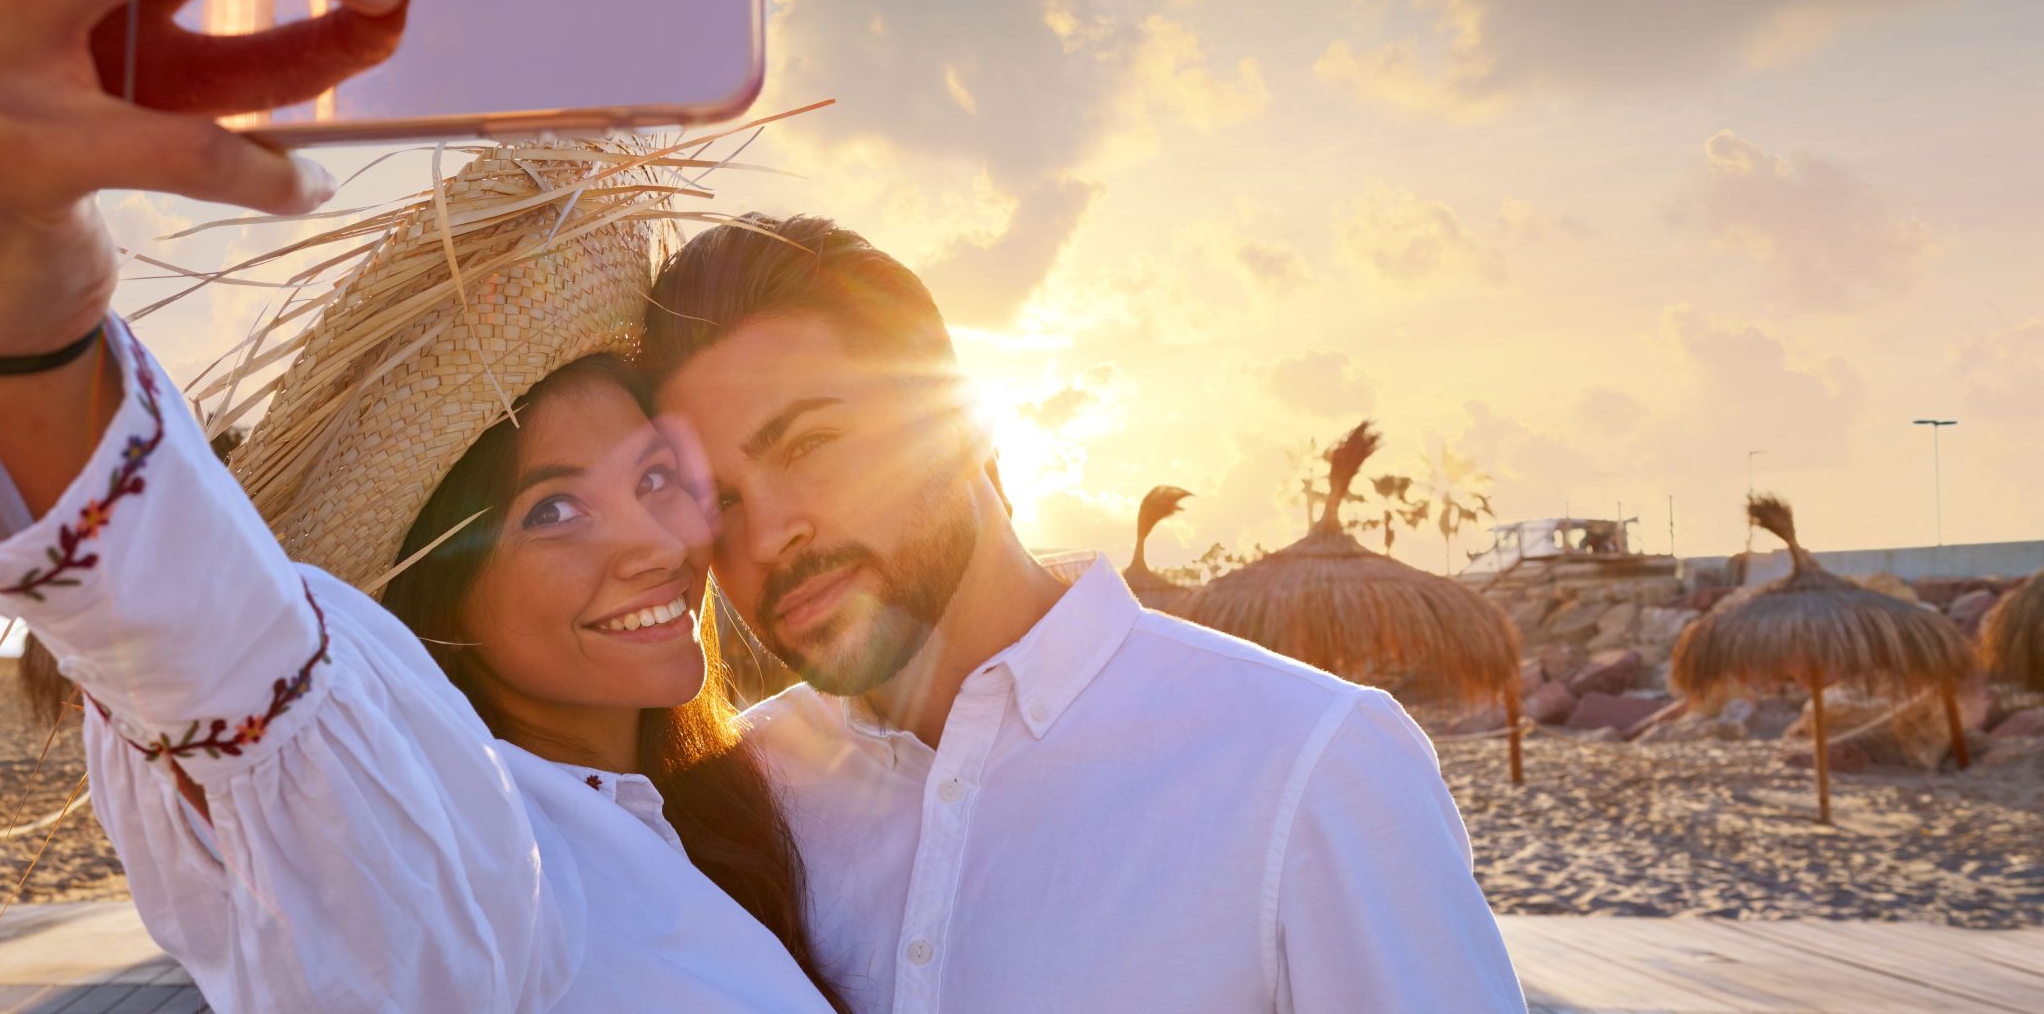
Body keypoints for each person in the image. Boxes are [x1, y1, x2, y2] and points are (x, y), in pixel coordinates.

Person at [0, 0, 846, 1011]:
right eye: (550, 505)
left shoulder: (749, 808)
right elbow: (229, 660)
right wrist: (11, 311)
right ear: (438, 589)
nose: (652, 543)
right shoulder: (460, 846)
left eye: (656, 475)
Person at [640, 216, 1529, 1013]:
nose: (764, 535)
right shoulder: (729, 799)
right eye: (714, 500)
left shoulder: (1307, 764)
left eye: (809, 444)